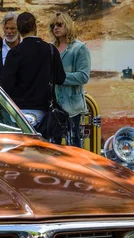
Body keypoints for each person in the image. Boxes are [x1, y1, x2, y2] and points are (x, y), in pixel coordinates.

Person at [2, 12, 66, 127]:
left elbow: (6, 85)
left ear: (19, 30)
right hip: (44, 111)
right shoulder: (50, 50)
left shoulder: (15, 53)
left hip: (18, 112)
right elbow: (60, 78)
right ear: (35, 27)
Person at [50, 11, 91, 148]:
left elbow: (83, 76)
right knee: (53, 146)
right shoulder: (50, 48)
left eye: (59, 24)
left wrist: (61, 78)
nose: (56, 28)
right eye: (53, 26)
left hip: (72, 108)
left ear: (67, 25)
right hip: (53, 106)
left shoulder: (79, 48)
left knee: (73, 145)